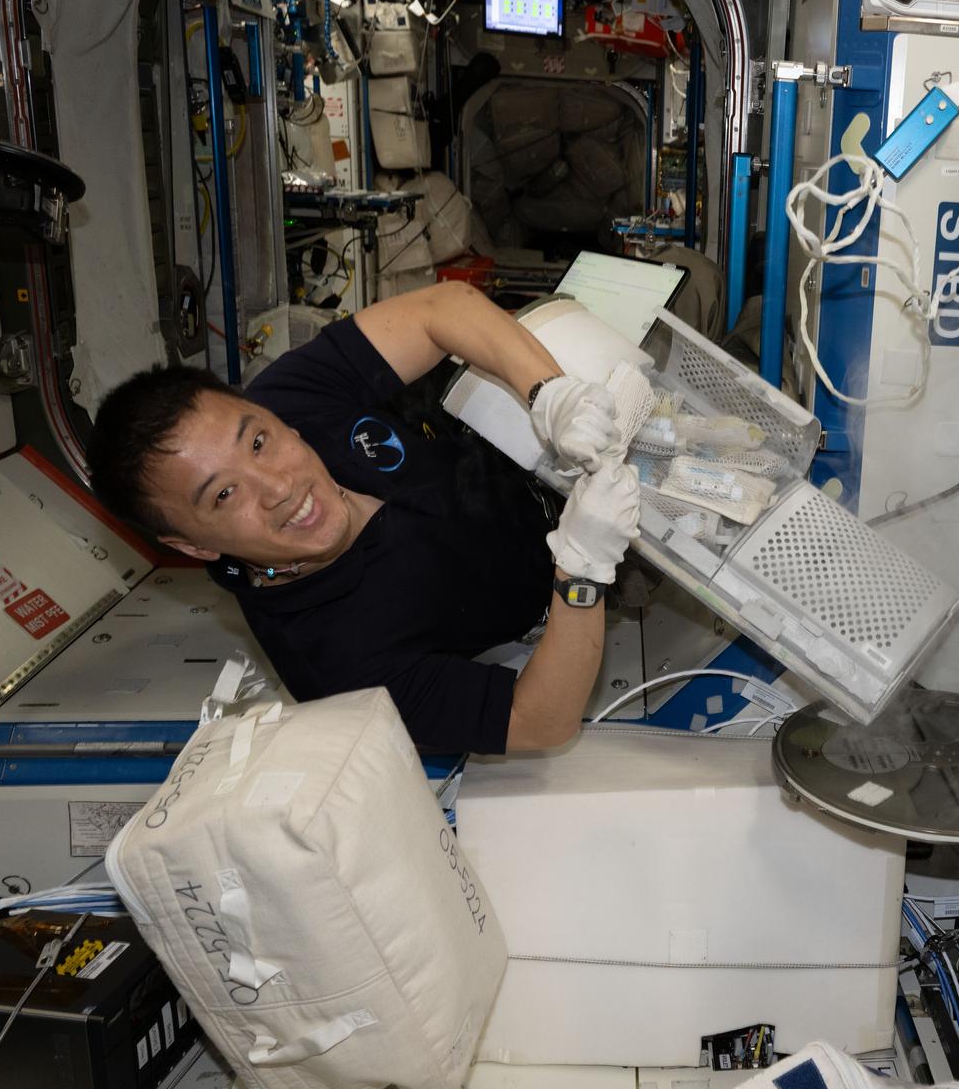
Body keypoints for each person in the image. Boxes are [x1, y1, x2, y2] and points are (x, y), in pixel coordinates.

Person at [85, 280, 639, 755]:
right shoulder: (336, 666)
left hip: (542, 441)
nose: (279, 486)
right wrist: (583, 569)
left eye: (259, 440)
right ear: (194, 546)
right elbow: (536, 722)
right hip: (577, 586)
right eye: (225, 495)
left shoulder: (288, 396)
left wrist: (553, 394)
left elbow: (441, 308)